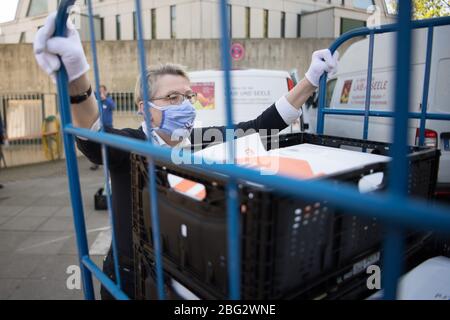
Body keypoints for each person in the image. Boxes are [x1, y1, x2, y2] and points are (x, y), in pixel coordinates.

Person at [33, 13, 338, 299]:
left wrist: (310, 80)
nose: (186, 105)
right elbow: (92, 134)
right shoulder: (133, 145)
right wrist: (77, 75)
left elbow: (260, 127)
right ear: (144, 107)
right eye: (172, 98)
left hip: (181, 276)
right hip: (130, 276)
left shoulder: (200, 140)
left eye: (189, 97)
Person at [90, 85, 116, 170]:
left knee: (108, 144)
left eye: (102, 91)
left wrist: (105, 99)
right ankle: (95, 163)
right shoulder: (97, 102)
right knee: (95, 144)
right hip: (98, 126)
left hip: (108, 127)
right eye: (99, 91)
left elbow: (113, 107)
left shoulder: (109, 101)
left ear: (105, 91)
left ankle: (110, 162)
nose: (100, 93)